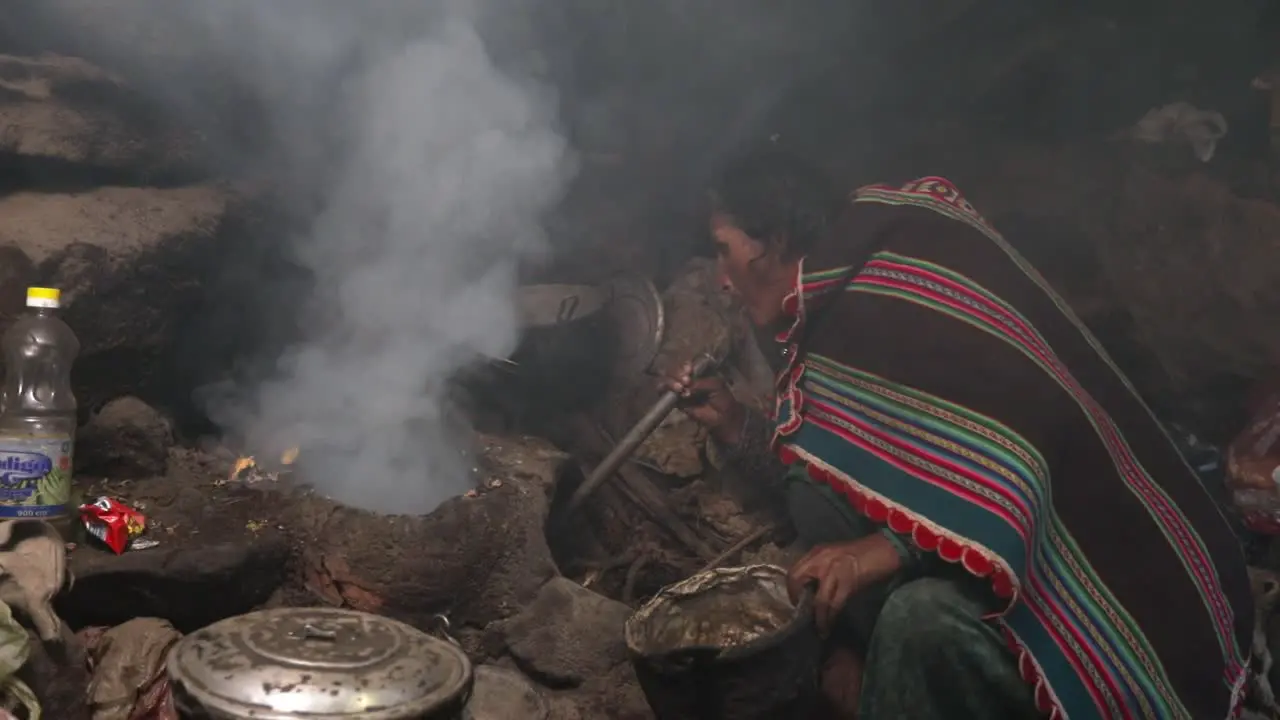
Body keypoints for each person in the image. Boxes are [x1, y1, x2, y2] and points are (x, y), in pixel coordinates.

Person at [665, 147, 1254, 720]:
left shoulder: (900, 286)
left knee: (917, 623)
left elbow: (1032, 444)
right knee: (815, 499)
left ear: (776, 240)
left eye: (725, 251)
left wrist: (889, 549)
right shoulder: (832, 311)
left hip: (1105, 588)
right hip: (995, 556)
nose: (721, 279)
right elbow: (864, 474)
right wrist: (739, 428)